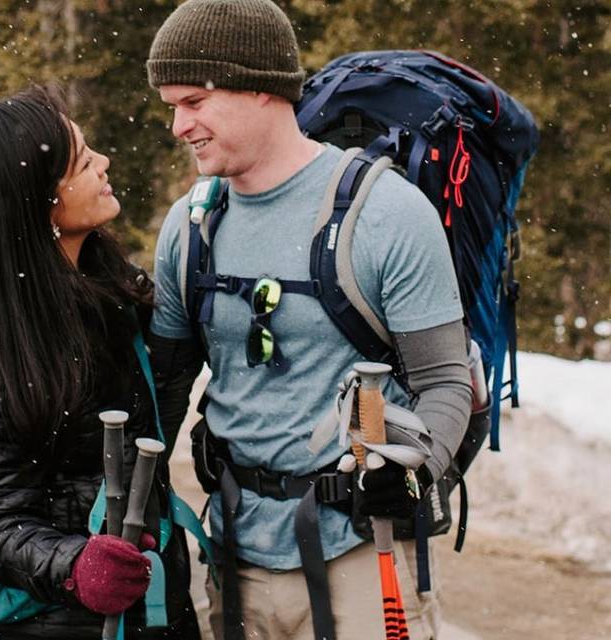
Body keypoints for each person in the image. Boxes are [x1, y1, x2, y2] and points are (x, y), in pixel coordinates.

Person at [145, 1, 473, 639]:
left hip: (359, 548)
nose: (179, 125)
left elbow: (445, 382)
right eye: (170, 107)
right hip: (233, 551)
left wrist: (411, 473)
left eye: (195, 101)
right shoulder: (188, 227)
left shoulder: (386, 214)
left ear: (262, 86)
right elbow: (160, 387)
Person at [0, 86, 200, 639]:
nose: (104, 163)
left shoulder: (104, 291)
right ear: (38, 200)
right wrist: (76, 566)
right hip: (63, 621)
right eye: (83, 161)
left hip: (154, 607)